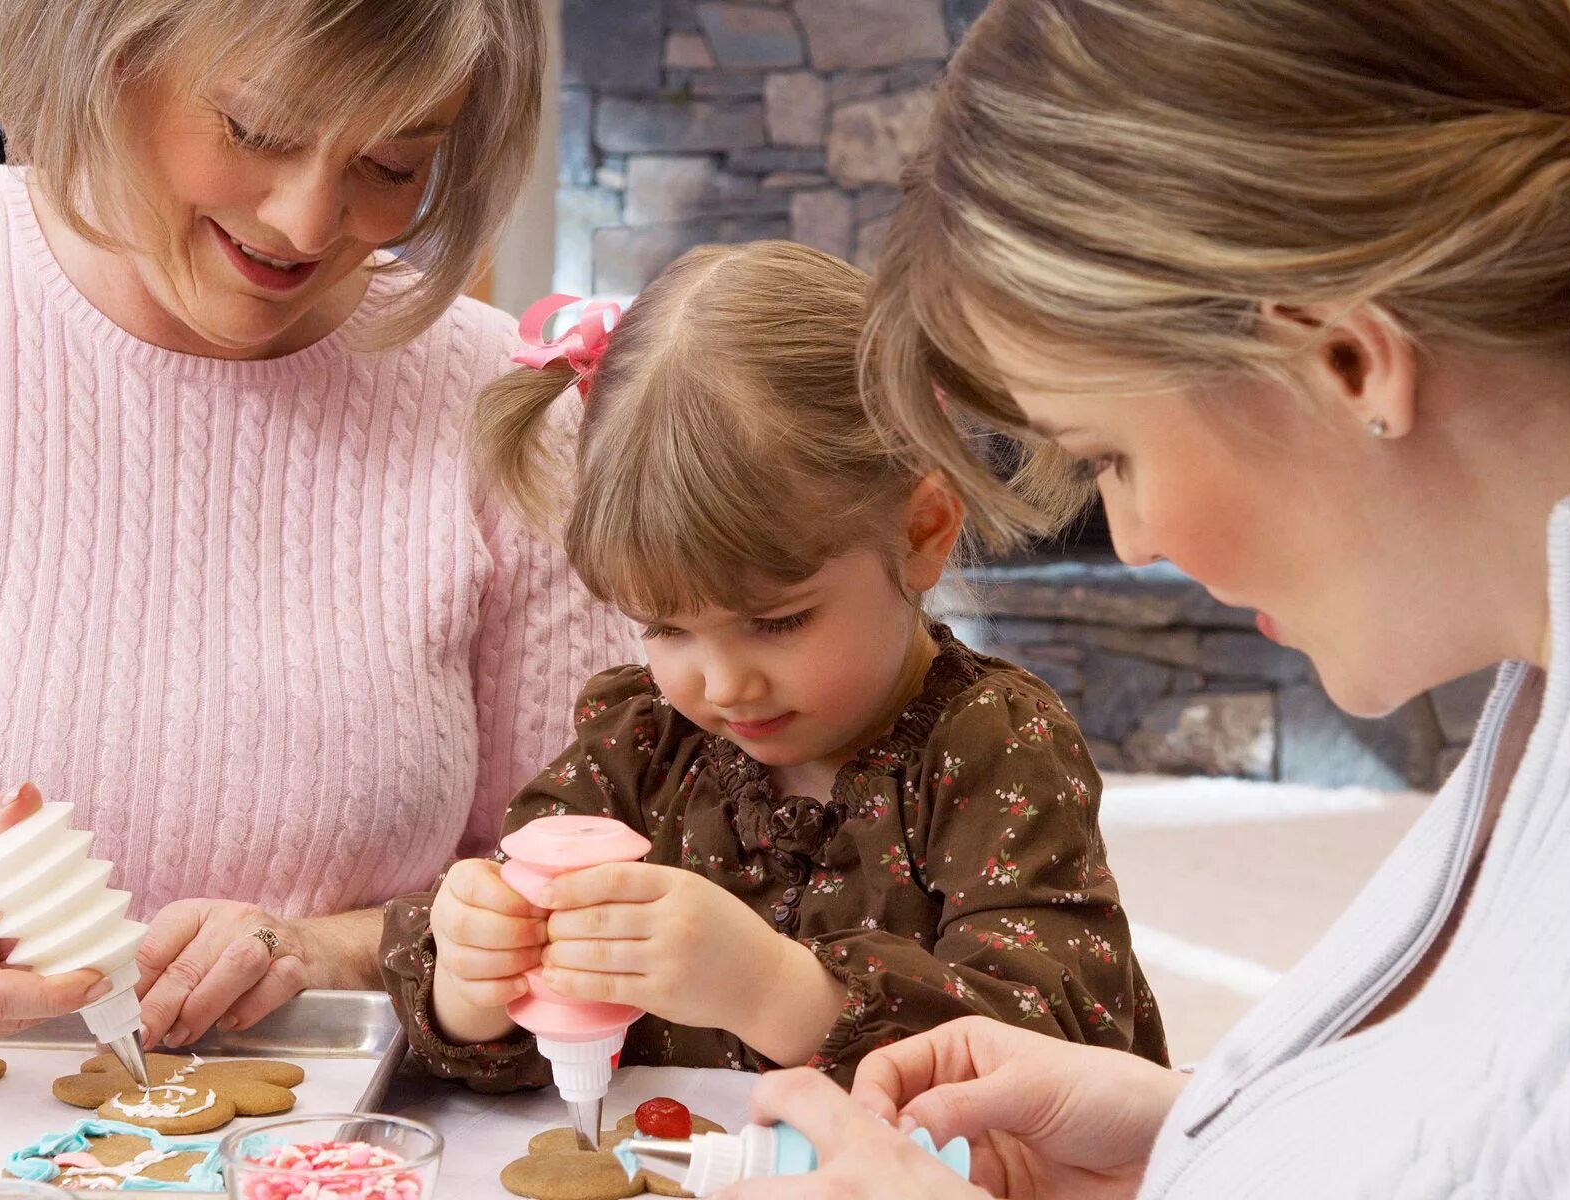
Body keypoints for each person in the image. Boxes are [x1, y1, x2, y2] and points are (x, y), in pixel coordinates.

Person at [0, 0, 633, 1051]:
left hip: (351, 1145)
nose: (309, 222)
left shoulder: (502, 402)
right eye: (257, 131)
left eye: (393, 164)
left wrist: (331, 951)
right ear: (109, 57)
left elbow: (563, 873)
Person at [732, 0, 1570, 1195]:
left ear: (1341, 358)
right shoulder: (1546, 690)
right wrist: (1192, 1137)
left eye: (1110, 456)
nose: (1131, 541)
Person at [379, 241, 1167, 1089]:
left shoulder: (995, 750)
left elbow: (1055, 1046)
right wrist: (477, 978)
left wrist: (770, 987)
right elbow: (515, 1039)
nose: (720, 687)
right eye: (665, 628)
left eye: (776, 621)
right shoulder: (643, 742)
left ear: (922, 532)